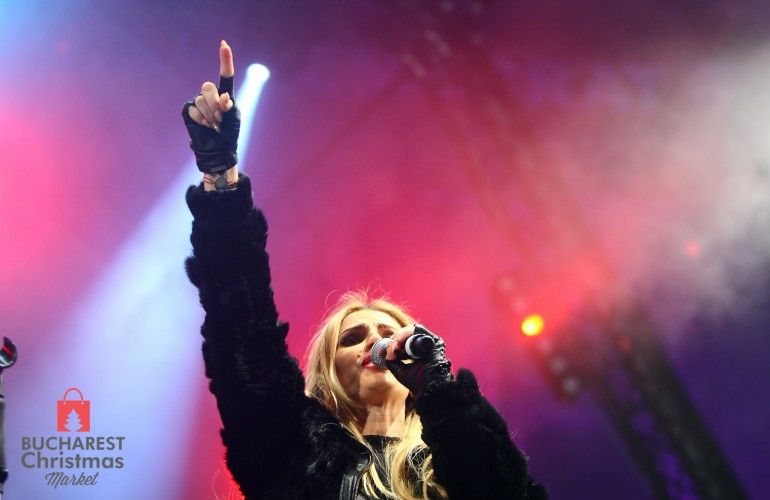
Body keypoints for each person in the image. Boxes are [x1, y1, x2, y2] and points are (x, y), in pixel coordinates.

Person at [183, 41, 547, 500]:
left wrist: (440, 393)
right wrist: (220, 177)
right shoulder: (292, 451)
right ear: (326, 377)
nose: (376, 341)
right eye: (352, 338)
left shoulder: (459, 460)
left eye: (389, 333)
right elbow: (243, 334)